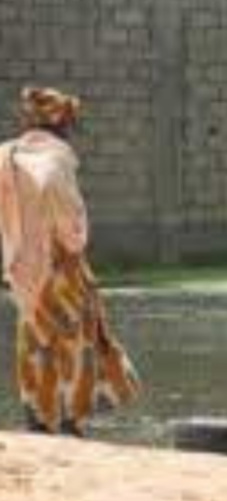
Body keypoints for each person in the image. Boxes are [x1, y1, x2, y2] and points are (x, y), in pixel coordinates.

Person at [0, 87, 140, 436]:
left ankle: (37, 414)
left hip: (21, 268)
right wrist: (75, 240)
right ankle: (70, 418)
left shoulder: (6, 154)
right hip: (60, 266)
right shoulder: (57, 157)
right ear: (62, 123)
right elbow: (69, 218)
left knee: (35, 340)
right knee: (76, 340)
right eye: (71, 124)